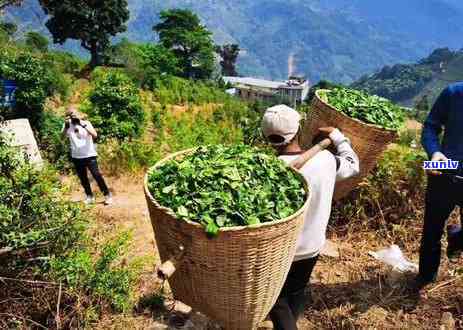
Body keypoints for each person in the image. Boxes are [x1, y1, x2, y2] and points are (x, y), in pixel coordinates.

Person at [261, 104, 360, 330]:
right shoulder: (325, 160)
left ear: (265, 137)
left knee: (276, 301)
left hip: (281, 253)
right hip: (312, 248)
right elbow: (353, 166)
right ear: (298, 130)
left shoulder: (267, 171)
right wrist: (338, 138)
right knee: (295, 293)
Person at [419, 82, 463, 287]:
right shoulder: (454, 93)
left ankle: (456, 236)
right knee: (431, 233)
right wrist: (434, 153)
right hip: (445, 170)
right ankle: (425, 280)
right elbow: (430, 126)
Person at [62, 105, 113, 205]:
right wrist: (66, 128)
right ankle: (90, 196)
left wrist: (82, 124)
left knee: (97, 175)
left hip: (89, 155)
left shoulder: (86, 123)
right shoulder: (67, 125)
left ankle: (107, 195)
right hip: (76, 156)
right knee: (83, 178)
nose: (73, 117)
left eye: (74, 115)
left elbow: (95, 135)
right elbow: (62, 138)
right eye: (70, 115)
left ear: (78, 114)